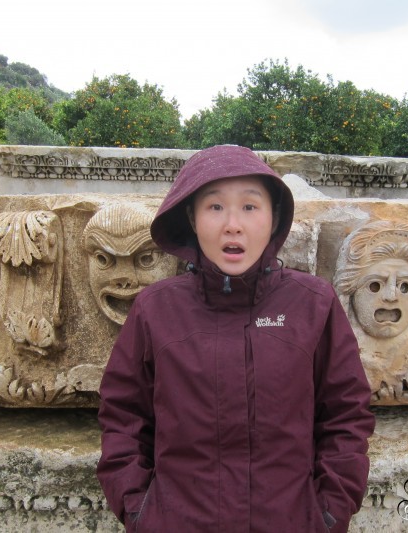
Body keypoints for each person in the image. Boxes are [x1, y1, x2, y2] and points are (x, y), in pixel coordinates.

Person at [97, 145, 375, 532]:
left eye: (250, 206)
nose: (233, 224)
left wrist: (328, 511)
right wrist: (141, 512)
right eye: (214, 207)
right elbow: (123, 417)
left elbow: (346, 414)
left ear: (274, 218)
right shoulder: (155, 310)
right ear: (192, 219)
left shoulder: (313, 304)